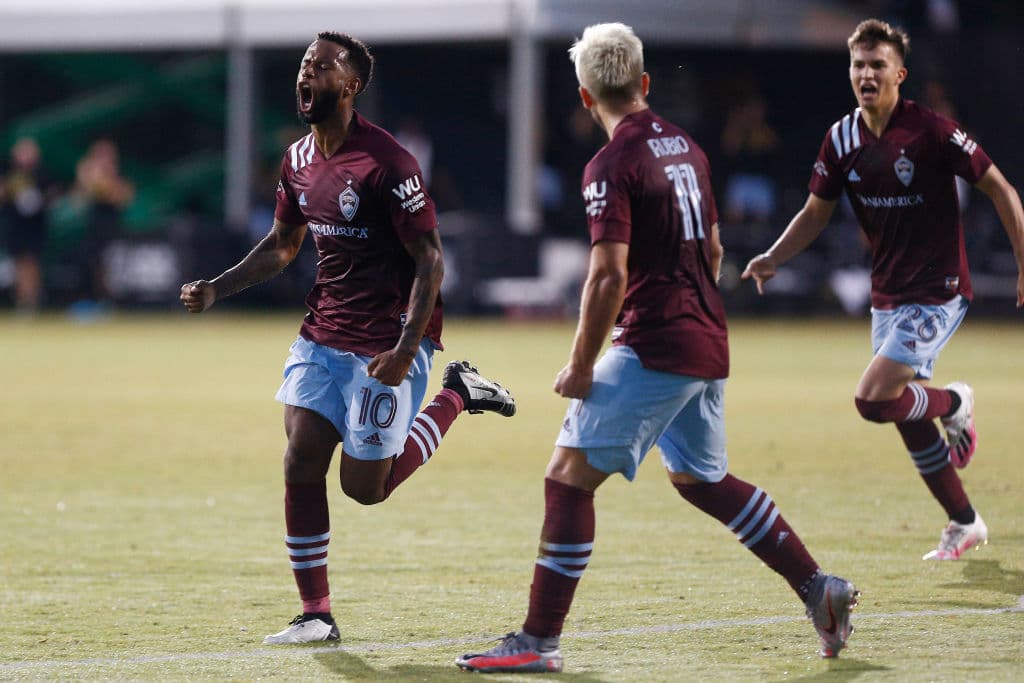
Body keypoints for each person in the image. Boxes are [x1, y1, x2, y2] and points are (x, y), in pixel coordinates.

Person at [455, 23, 859, 673]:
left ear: (587, 98)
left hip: (657, 341)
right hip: (706, 335)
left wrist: (582, 364)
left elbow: (609, 273)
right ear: (643, 84)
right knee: (701, 479)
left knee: (567, 477)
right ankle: (820, 588)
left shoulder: (610, 164)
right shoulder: (688, 148)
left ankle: (538, 638)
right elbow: (717, 248)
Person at [180, 31, 516, 645]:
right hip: (322, 334)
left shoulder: (388, 163)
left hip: (387, 344)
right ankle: (316, 614)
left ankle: (457, 395)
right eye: (304, 65)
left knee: (366, 489)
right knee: (300, 454)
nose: (307, 75)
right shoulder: (297, 160)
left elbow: (430, 261)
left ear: (351, 85)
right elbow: (283, 246)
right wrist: (216, 287)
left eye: (321, 68)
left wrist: (409, 347)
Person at [742, 19, 1024, 561]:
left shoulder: (933, 131)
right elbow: (815, 212)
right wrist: (774, 256)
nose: (866, 74)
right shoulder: (841, 138)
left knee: (873, 399)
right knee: (905, 417)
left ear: (900, 73)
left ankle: (956, 400)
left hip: (939, 288)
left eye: (877, 65)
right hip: (888, 293)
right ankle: (964, 522)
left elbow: (1001, 188)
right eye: (858, 65)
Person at [0, 137, 55, 313]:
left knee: (32, 262)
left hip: (35, 226)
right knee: (19, 263)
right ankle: (22, 299)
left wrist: (40, 201)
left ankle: (32, 300)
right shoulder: (9, 173)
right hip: (15, 225)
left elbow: (53, 195)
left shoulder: (42, 173)